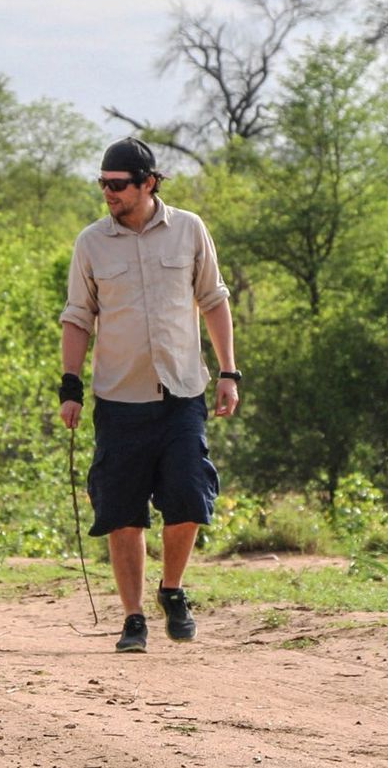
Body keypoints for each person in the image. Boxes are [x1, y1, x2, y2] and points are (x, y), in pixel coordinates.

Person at [58, 138, 240, 653]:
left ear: (149, 183)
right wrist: (70, 385)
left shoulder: (189, 229)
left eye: (118, 185)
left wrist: (229, 372)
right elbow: (78, 316)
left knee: (189, 495)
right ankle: (133, 617)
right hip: (120, 397)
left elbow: (214, 300)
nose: (109, 194)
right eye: (103, 184)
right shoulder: (91, 243)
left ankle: (172, 589)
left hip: (181, 391)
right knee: (122, 511)